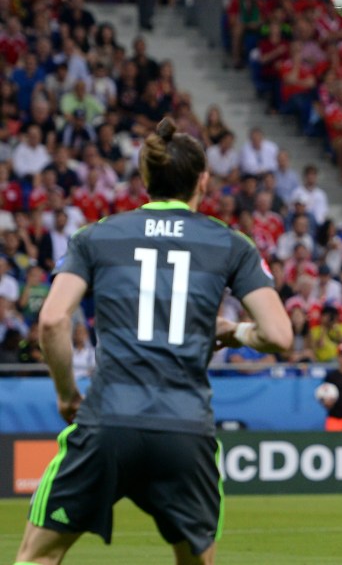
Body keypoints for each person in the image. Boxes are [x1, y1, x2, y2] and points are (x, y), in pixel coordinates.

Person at [15, 118, 292, 565]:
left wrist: (68, 395)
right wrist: (234, 331)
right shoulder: (232, 244)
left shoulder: (97, 234)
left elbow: (51, 322)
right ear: (203, 179)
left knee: (38, 556)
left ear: (145, 180)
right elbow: (279, 335)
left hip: (107, 420)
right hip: (185, 426)